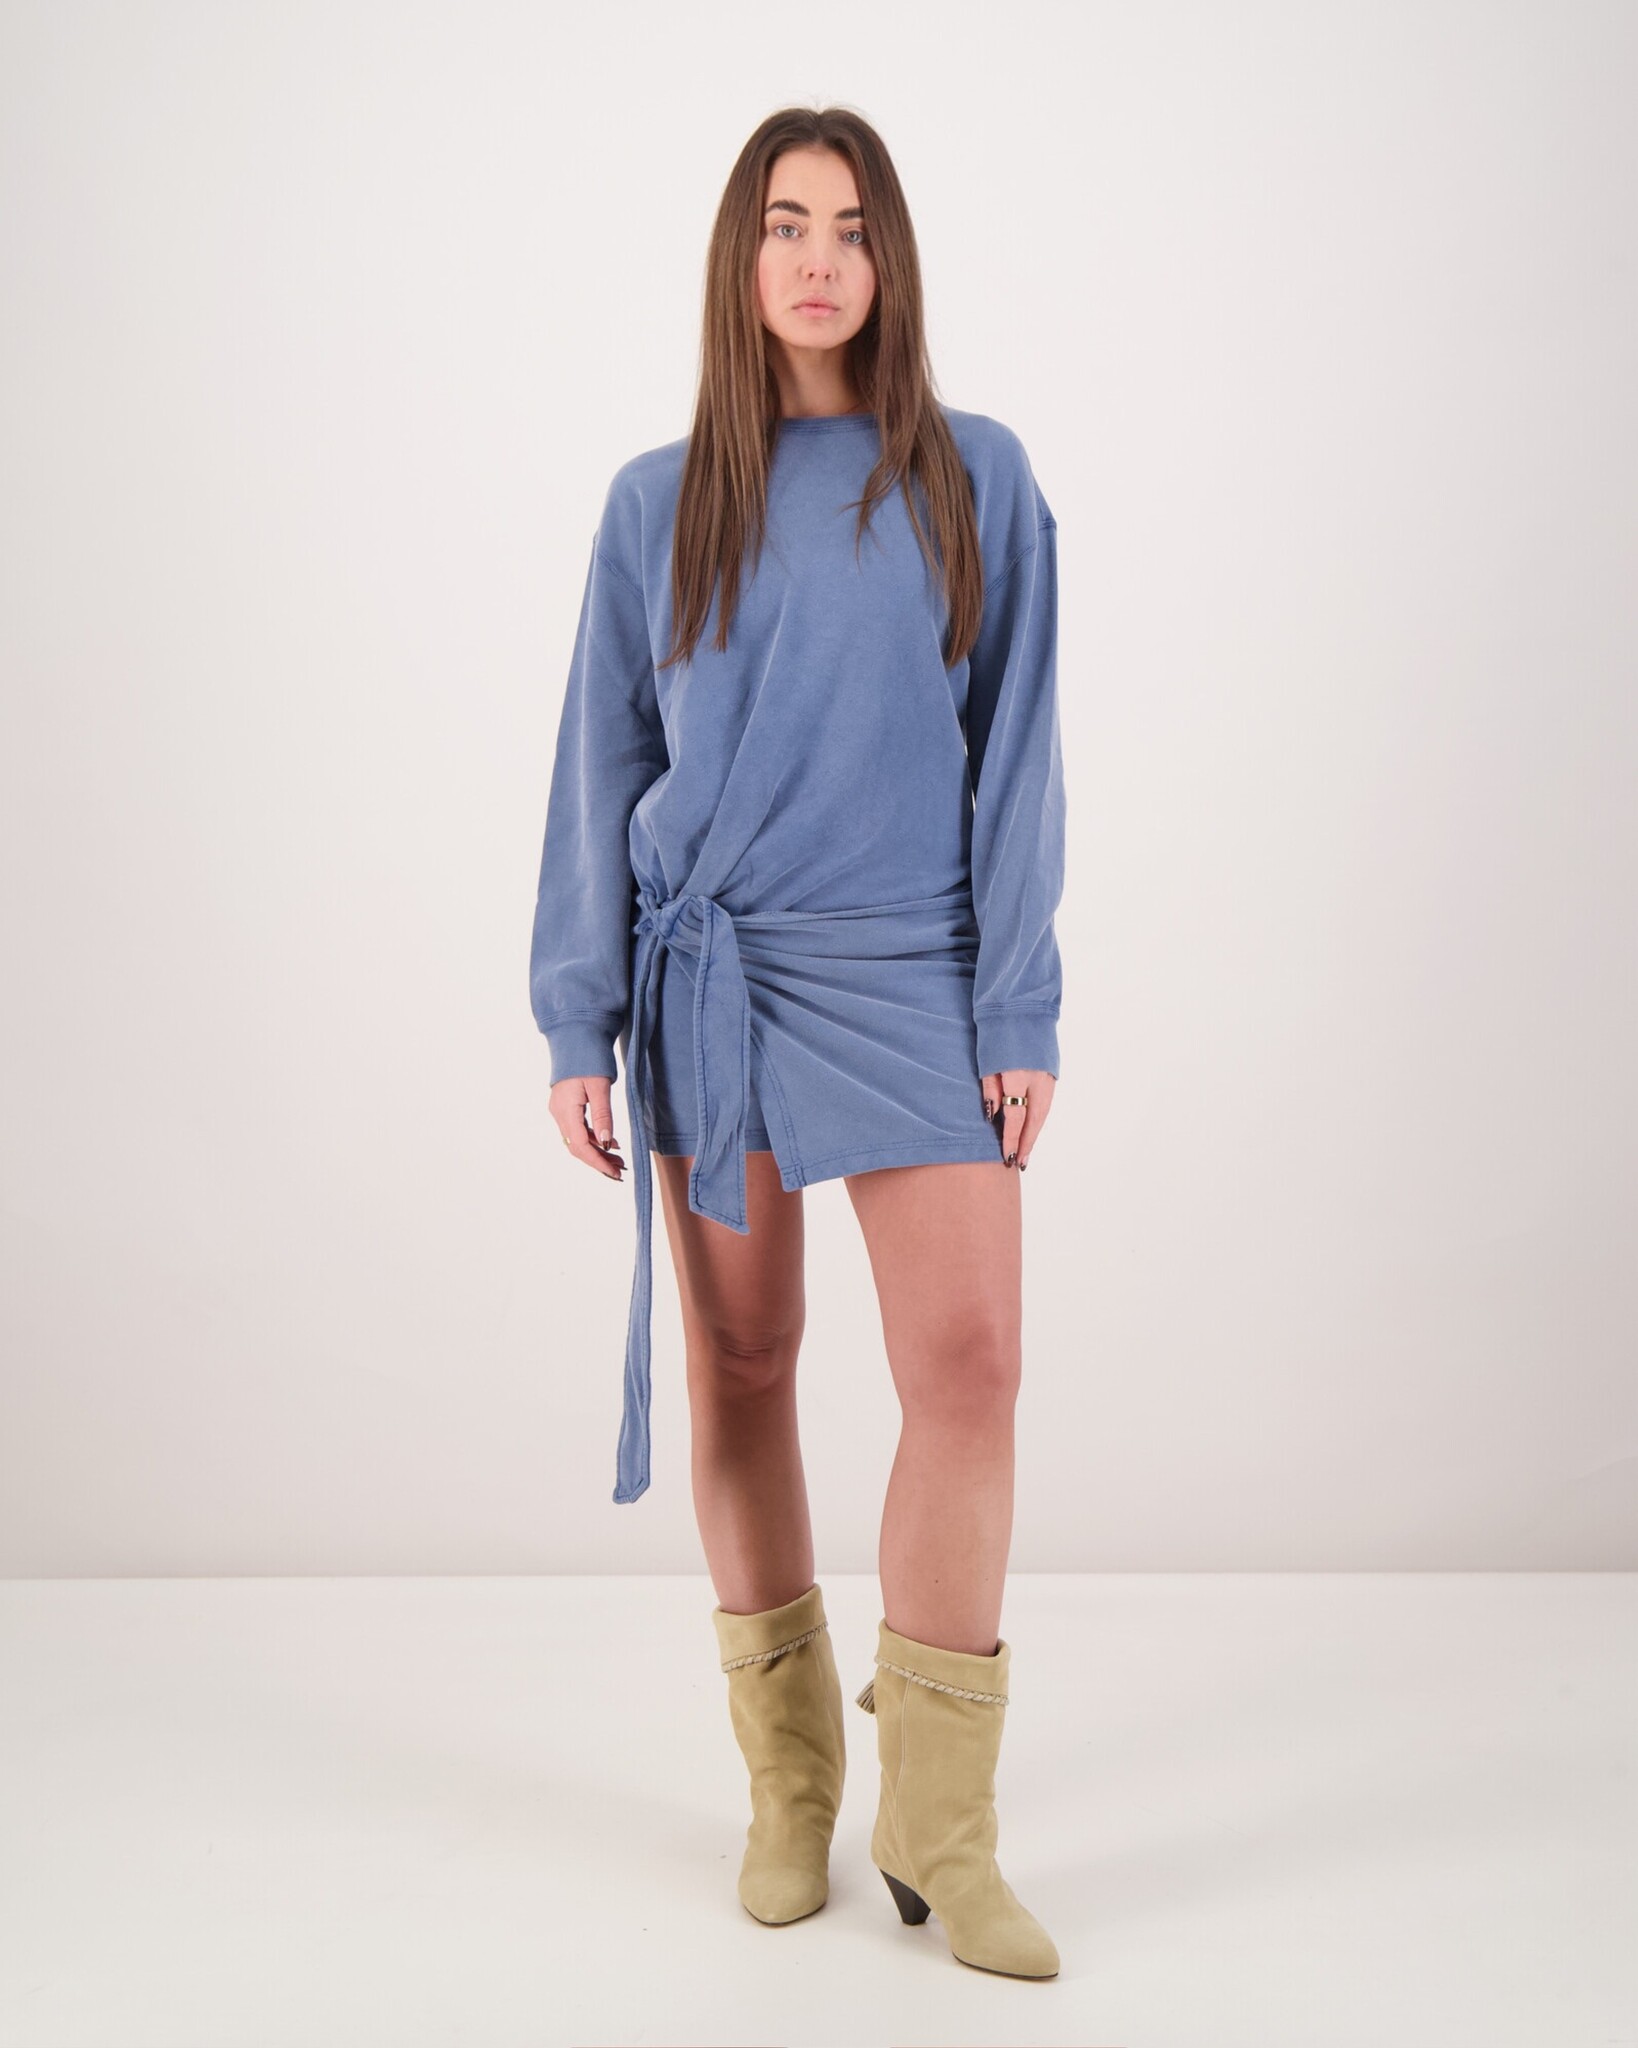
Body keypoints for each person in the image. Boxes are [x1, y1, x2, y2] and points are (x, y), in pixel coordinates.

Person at [528, 105, 1066, 1980]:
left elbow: (1018, 754)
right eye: (784, 224)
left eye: (849, 225)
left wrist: (1017, 999)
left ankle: (942, 1824)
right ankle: (789, 1788)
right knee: (744, 1366)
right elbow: (601, 765)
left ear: (888, 260)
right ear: (739, 260)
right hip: (719, 973)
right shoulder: (654, 501)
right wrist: (577, 1012)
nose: (818, 257)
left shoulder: (974, 476)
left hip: (912, 963)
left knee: (969, 1367)